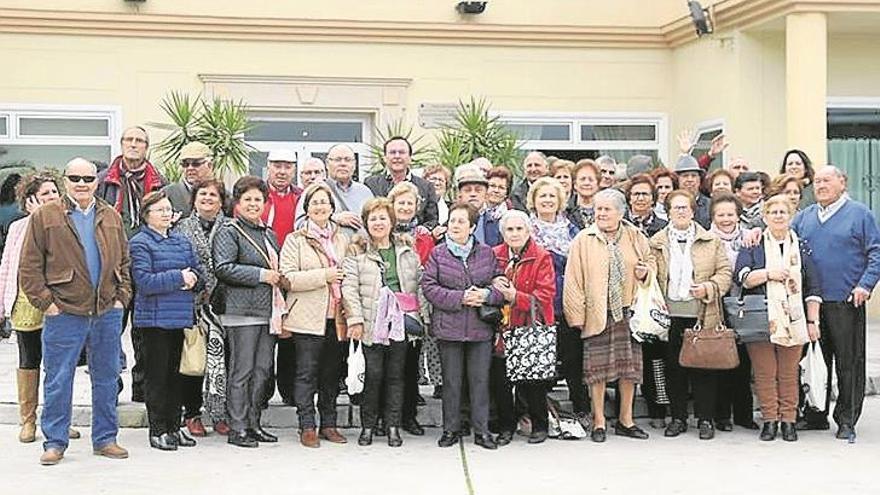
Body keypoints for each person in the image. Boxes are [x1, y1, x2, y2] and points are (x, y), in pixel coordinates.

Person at [20, 157, 132, 466]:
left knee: (107, 377)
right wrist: (47, 303)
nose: (82, 184)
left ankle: (106, 439)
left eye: (87, 178)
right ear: (65, 181)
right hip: (64, 311)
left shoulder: (111, 216)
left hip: (107, 310)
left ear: (97, 181)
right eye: (75, 178)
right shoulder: (45, 216)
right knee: (58, 378)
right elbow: (29, 267)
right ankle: (55, 442)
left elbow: (125, 260)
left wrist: (122, 296)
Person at [790, 166, 880, 439]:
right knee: (814, 361)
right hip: (810, 303)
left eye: (827, 180)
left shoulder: (860, 214)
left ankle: (846, 419)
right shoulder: (804, 217)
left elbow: (876, 251)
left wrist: (865, 284)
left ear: (843, 182)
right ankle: (816, 414)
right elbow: (784, 240)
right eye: (817, 181)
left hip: (845, 299)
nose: (821, 185)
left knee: (848, 362)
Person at [563, 188, 652, 443]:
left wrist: (646, 273)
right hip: (597, 312)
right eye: (598, 209)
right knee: (597, 370)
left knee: (629, 370)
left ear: (620, 212)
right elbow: (574, 280)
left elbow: (651, 264)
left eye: (606, 209)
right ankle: (599, 421)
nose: (600, 213)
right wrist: (576, 316)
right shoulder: (584, 239)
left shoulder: (635, 236)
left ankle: (626, 420)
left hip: (628, 311)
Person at [0, 172, 82, 443]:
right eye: (44, 194)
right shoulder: (17, 227)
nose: (51, 197)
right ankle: (28, 421)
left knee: (59, 364)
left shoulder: (69, 222)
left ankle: (58, 420)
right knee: (29, 359)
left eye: (53, 192)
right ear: (29, 200)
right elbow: (8, 266)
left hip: (59, 299)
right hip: (25, 300)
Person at [735, 195, 822, 442]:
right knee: (764, 373)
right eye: (773, 212)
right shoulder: (753, 244)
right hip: (761, 317)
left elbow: (813, 288)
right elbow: (742, 277)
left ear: (791, 216)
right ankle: (770, 420)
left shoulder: (802, 247)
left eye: (783, 211)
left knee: (788, 373)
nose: (778, 216)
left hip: (794, 320)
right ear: (764, 217)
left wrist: (812, 322)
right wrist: (769, 274)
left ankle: (788, 421)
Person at [342, 197, 425, 447]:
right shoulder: (357, 252)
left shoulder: (407, 250)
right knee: (374, 375)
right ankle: (368, 426)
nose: (378, 223)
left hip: (399, 324)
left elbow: (418, 285)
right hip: (370, 323)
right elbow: (349, 287)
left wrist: (421, 318)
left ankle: (392, 426)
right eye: (373, 218)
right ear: (366, 223)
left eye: (383, 218)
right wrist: (355, 319)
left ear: (391, 222)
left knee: (396, 376)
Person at [650, 189, 732, 440]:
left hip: (702, 313)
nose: (681, 212)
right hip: (670, 314)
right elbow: (650, 272)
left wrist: (709, 287)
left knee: (703, 368)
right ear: (668, 212)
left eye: (685, 207)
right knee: (674, 369)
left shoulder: (711, 240)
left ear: (693, 211)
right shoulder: (656, 242)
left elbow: (725, 272)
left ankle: (705, 419)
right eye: (676, 208)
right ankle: (678, 418)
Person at [213, 176, 288, 448]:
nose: (253, 204)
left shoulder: (269, 233)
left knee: (263, 371)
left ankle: (254, 423)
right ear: (237, 202)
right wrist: (261, 275)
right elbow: (223, 267)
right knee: (242, 370)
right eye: (248, 199)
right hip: (240, 310)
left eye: (258, 199)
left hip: (268, 310)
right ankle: (238, 427)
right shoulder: (229, 231)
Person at [422, 203, 504, 450]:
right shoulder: (439, 253)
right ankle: (451, 429)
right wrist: (460, 298)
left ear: (471, 226)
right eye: (452, 221)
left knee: (480, 381)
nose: (455, 225)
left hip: (480, 329)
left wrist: (487, 295)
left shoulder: (487, 253)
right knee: (452, 382)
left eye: (460, 221)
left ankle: (482, 431)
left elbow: (500, 284)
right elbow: (429, 287)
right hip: (450, 327)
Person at [130, 191, 204, 451]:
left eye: (168, 209)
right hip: (153, 322)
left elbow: (198, 274)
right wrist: (179, 278)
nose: (165, 214)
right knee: (157, 378)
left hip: (179, 318)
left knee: (176, 377)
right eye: (159, 209)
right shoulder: (140, 243)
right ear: (146, 215)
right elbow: (145, 282)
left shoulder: (182, 242)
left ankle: (175, 425)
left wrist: (191, 279)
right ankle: (158, 428)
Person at [97, 126, 166, 403]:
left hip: (148, 267)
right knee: (110, 330)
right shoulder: (104, 180)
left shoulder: (160, 181)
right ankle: (110, 389)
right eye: (129, 140)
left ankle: (142, 390)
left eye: (140, 140)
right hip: (113, 268)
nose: (134, 144)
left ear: (147, 146)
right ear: (121, 144)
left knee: (145, 333)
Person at [280, 182, 349, 448]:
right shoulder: (295, 239)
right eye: (315, 202)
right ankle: (307, 424)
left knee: (332, 374)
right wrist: (324, 276)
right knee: (306, 373)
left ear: (332, 208)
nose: (320, 207)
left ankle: (329, 424)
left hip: (336, 316)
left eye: (325, 202)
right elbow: (288, 278)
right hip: (307, 316)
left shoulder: (343, 239)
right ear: (306, 209)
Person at [525, 177, 588, 427]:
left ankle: (582, 409)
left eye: (552, 196)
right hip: (539, 305)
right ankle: (538, 415)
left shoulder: (574, 230)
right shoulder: (525, 229)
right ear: (534, 201)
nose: (548, 200)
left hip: (569, 302)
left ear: (560, 200)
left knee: (574, 361)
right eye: (543, 196)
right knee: (540, 363)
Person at [491, 210, 556, 445]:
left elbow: (545, 295)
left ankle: (540, 425)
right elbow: (482, 281)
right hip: (503, 327)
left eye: (520, 229)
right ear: (503, 233)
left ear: (529, 231)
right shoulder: (495, 254)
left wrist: (515, 296)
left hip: (531, 326)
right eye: (510, 229)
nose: (515, 233)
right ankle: (506, 427)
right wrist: (493, 282)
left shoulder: (541, 256)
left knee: (533, 380)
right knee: (501, 380)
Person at [173, 178, 231, 436]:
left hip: (224, 305)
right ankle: (193, 413)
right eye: (203, 194)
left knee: (222, 362)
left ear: (222, 201)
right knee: (194, 361)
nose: (208, 198)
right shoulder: (180, 228)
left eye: (213, 195)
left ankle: (219, 414)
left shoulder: (232, 227)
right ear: (194, 199)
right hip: (192, 305)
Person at [708, 192, 758, 432]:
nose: (726, 219)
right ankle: (722, 416)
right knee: (720, 359)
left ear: (738, 215)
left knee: (744, 360)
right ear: (713, 216)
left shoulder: (751, 237)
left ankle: (744, 415)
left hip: (744, 305)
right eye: (721, 214)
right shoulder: (706, 239)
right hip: (716, 305)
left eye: (730, 214)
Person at [388, 181, 434, 434]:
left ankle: (408, 416)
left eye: (409, 203)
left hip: (414, 308)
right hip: (385, 309)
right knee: (385, 367)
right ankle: (386, 417)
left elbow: (426, 272)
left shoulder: (424, 237)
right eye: (400, 202)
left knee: (409, 365)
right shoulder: (381, 232)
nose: (405, 207)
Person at [624, 174, 669, 428]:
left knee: (655, 358)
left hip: (654, 300)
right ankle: (625, 412)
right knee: (627, 359)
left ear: (654, 199)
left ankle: (658, 409)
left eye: (645, 194)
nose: (640, 198)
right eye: (636, 193)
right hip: (627, 299)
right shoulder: (621, 225)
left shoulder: (662, 227)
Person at [261, 149, 302, 407]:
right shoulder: (257, 194)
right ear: (268, 167)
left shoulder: (300, 197)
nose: (282, 171)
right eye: (277, 165)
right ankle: (263, 392)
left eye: (287, 166)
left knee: (290, 336)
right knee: (265, 337)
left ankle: (289, 391)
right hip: (265, 273)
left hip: (292, 274)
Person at [365, 136, 439, 228]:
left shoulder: (426, 187)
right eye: (392, 152)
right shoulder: (371, 184)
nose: (397, 156)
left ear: (410, 158)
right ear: (384, 158)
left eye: (402, 152)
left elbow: (432, 220)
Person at [324, 143, 374, 237]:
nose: (343, 164)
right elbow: (301, 225)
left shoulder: (365, 192)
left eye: (347, 160)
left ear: (354, 165)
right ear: (327, 164)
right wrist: (333, 218)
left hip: (362, 249)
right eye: (337, 160)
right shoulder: (317, 190)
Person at [163, 141, 214, 218]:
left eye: (196, 164)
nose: (190, 168)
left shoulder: (222, 195)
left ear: (209, 165)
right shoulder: (168, 193)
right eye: (185, 164)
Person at [673, 155, 711, 229]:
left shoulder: (710, 205)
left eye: (693, 176)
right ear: (678, 180)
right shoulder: (671, 203)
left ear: (699, 180)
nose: (690, 179)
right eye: (685, 176)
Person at [483, 166, 514, 248]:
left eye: (501, 188)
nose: (496, 190)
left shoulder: (511, 216)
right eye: (492, 186)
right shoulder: (477, 212)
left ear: (507, 193)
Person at [293, 157, 328, 228]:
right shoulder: (297, 196)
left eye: (317, 172)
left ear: (324, 175)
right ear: (301, 177)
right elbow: (299, 226)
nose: (313, 177)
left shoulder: (332, 195)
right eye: (308, 173)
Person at [567, 159, 600, 229]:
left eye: (591, 179)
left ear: (597, 184)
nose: (587, 183)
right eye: (582, 179)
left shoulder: (608, 207)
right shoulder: (565, 210)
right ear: (575, 184)